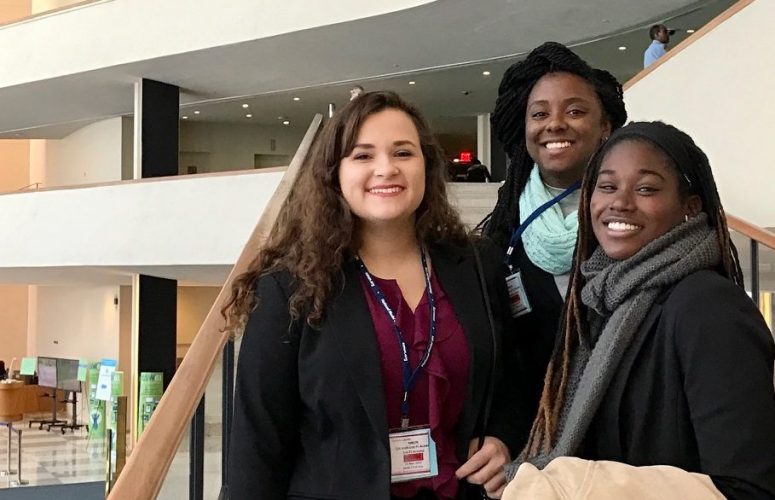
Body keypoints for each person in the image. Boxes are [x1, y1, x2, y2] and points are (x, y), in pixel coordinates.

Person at [225, 91, 527, 500]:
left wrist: (503, 439)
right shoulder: (290, 286)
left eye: (403, 152)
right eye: (363, 156)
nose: (386, 169)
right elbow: (258, 443)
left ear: (427, 166)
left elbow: (514, 376)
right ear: (334, 173)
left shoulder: (476, 264)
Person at [503, 121, 775, 499]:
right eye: (607, 186)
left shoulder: (710, 309)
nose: (620, 202)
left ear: (690, 207)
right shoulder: (601, 302)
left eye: (646, 188)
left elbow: (748, 489)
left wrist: (577, 486)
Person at [483, 41, 627, 448]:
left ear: (606, 127)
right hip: (529, 435)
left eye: (575, 111)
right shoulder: (505, 224)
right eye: (540, 113)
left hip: (620, 434)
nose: (555, 124)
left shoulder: (632, 217)